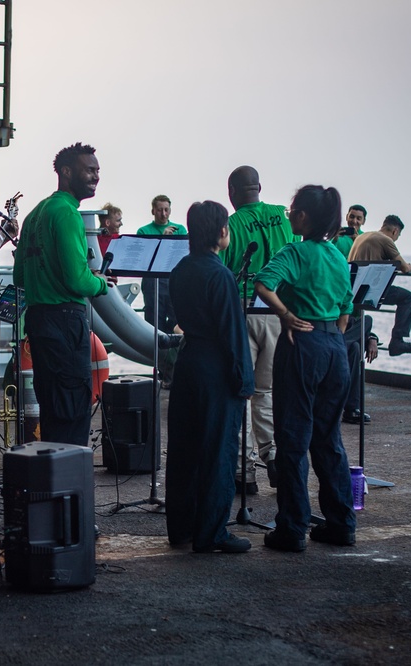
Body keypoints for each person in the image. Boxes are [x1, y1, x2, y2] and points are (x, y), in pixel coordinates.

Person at [254, 184, 357, 553]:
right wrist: (331, 337)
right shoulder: (337, 256)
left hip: (304, 345)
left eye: (293, 210)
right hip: (334, 347)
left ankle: (292, 528)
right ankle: (342, 522)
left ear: (304, 217)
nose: (288, 215)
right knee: (329, 440)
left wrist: (286, 315)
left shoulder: (294, 251)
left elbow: (263, 284)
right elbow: (347, 307)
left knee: (293, 440)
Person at [165, 200, 255, 554]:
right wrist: (244, 380)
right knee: (219, 450)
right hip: (215, 367)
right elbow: (232, 334)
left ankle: (182, 528)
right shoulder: (220, 275)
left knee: (184, 449)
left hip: (187, 363)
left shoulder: (180, 270)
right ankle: (212, 532)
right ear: (222, 232)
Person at [14, 142, 109, 446]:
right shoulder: (67, 213)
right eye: (89, 169)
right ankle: (71, 486)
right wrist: (103, 283)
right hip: (66, 323)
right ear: (67, 172)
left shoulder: (34, 215)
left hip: (39, 321)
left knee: (52, 409)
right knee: (72, 411)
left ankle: (52, 485)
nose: (96, 175)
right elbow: (78, 282)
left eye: (97, 170)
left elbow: (19, 276)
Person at [219, 165, 296, 494]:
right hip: (279, 315)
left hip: (245, 315)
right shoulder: (283, 216)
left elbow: (223, 276)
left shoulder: (231, 225)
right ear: (259, 187)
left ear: (232, 192)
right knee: (265, 392)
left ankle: (244, 471)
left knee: (238, 393)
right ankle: (274, 456)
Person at [347, 214, 411, 357]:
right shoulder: (386, 240)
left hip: (351, 290)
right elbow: (405, 267)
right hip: (366, 291)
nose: (396, 239)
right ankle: (397, 341)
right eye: (398, 236)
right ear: (395, 231)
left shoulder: (362, 236)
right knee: (408, 298)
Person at [137, 195, 185, 334]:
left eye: (166, 210)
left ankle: (173, 353)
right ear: (153, 211)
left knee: (178, 317)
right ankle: (156, 353)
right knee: (154, 319)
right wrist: (164, 239)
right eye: (159, 210)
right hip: (152, 280)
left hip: (174, 278)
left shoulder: (180, 229)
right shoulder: (143, 231)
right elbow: (145, 259)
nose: (163, 214)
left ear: (170, 210)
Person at [342, 313, 379, 424]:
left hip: (341, 335)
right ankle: (351, 409)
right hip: (326, 328)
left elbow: (353, 322)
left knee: (356, 347)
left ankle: (351, 410)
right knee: (355, 345)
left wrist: (372, 338)